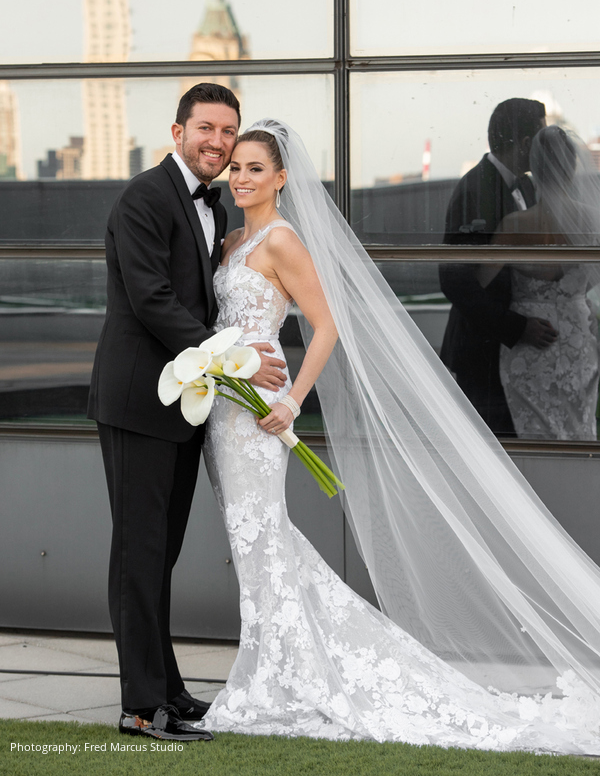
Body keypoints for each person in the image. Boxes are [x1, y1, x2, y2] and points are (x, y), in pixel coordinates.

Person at [187, 119, 600, 752]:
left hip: (262, 408)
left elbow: (326, 325)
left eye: (255, 169)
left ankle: (274, 675)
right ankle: (280, 663)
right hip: (224, 405)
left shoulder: (282, 240)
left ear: (281, 177)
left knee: (260, 535)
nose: (240, 178)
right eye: (235, 168)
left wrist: (292, 402)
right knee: (259, 541)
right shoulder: (233, 240)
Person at [87, 84, 286, 742]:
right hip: (139, 400)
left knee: (160, 555)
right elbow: (151, 300)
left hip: (181, 405)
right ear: (178, 133)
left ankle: (167, 689)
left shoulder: (210, 204)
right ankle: (141, 708)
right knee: (138, 554)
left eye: (228, 131)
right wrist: (235, 360)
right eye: (206, 128)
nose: (218, 142)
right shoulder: (144, 198)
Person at [439, 98, 556, 435]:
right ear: (526, 144)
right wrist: (517, 328)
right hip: (483, 353)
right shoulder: (474, 189)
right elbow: (455, 280)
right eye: (542, 139)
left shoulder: (528, 186)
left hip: (512, 353)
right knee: (490, 446)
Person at [478, 125, 600, 440]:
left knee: (533, 438)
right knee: (579, 432)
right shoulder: (592, 221)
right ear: (572, 167)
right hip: (576, 337)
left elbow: (481, 281)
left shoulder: (514, 225)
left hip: (528, 344)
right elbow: (591, 277)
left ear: (534, 168)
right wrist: (575, 295)